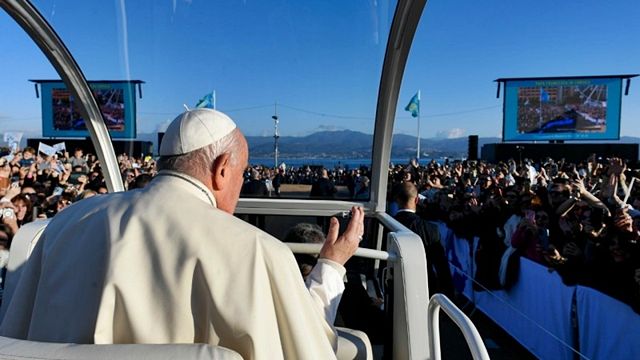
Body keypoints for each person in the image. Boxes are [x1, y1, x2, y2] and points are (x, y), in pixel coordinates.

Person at [0, 108, 365, 360]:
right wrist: (330, 269)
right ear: (222, 170)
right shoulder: (256, 251)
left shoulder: (64, 225)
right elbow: (309, 348)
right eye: (240, 178)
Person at [393, 182, 454, 297]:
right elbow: (441, 267)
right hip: (423, 287)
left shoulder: (386, 225)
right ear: (416, 200)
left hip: (393, 285)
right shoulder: (430, 229)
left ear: (397, 200)